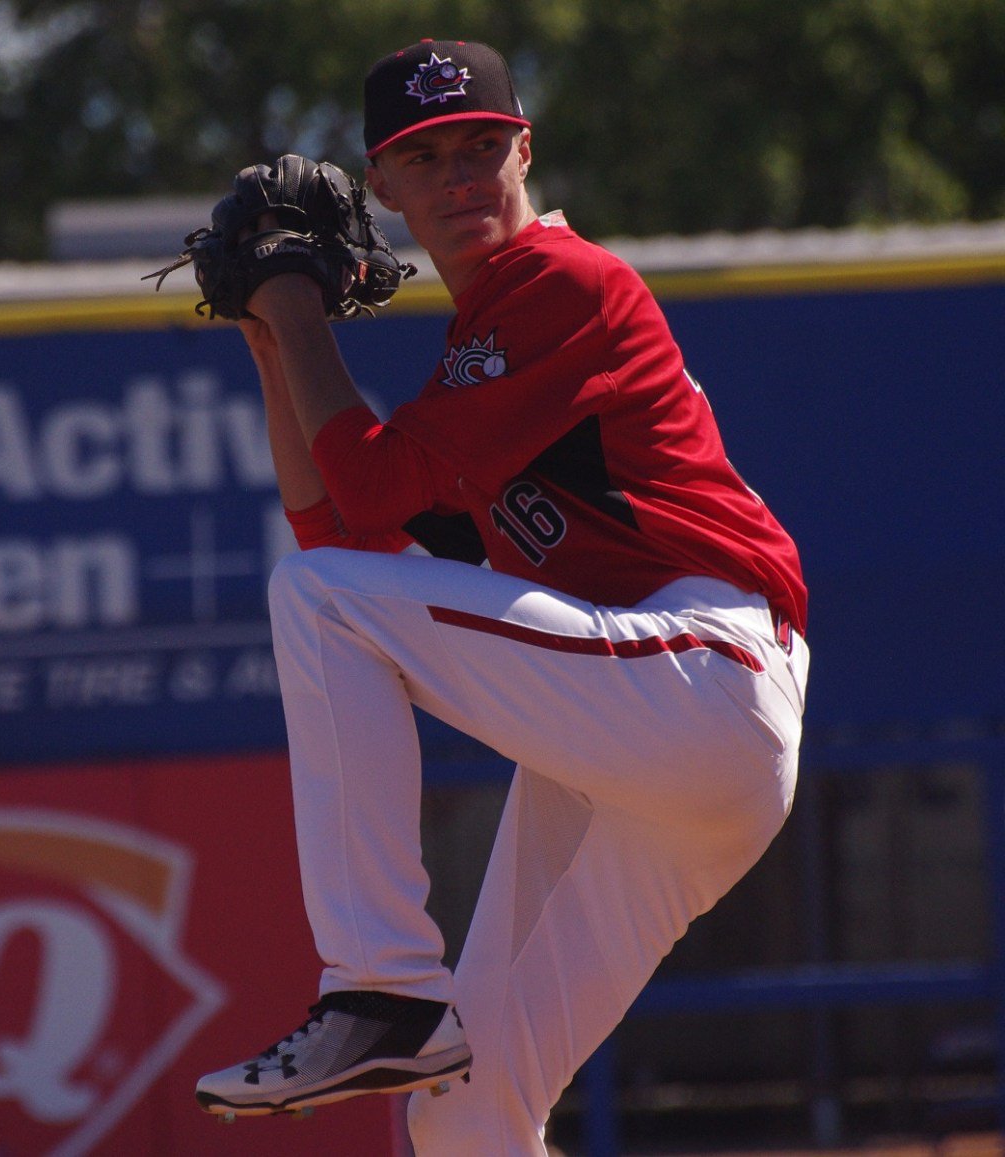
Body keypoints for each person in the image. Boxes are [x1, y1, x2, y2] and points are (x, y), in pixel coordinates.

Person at [194, 38, 809, 1157]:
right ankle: (392, 1011)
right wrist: (269, 343)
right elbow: (350, 526)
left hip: (700, 678)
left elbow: (359, 516)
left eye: (483, 146)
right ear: (382, 188)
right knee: (464, 1112)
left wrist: (300, 315)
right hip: (645, 753)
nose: (462, 178)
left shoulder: (563, 283)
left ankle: (379, 984)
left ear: (525, 150)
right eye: (427, 159)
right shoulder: (477, 347)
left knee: (319, 601)